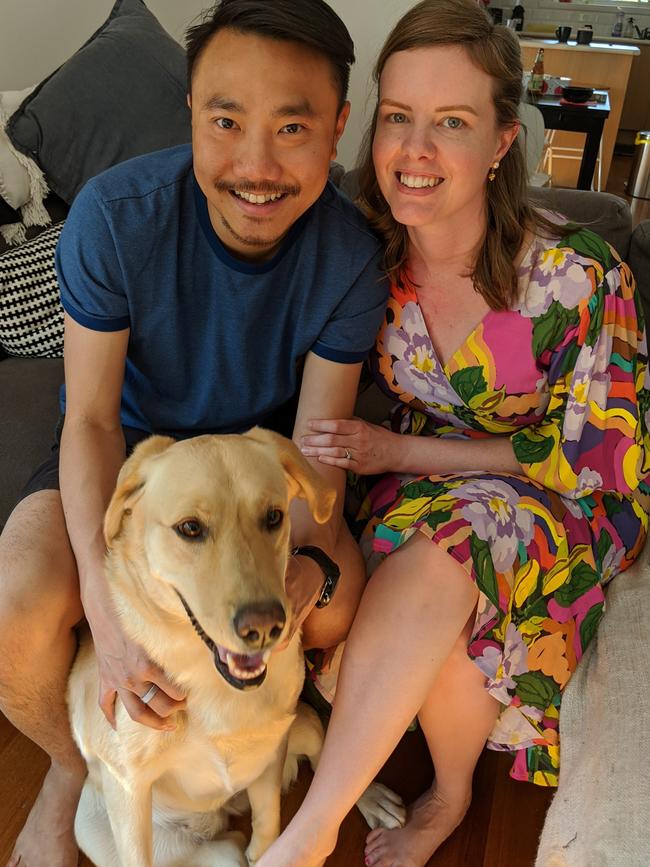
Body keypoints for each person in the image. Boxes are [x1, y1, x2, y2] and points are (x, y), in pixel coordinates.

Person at [256, 1, 650, 865]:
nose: (414, 152)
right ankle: (449, 790)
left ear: (504, 140)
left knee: (463, 536)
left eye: (452, 123)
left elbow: (596, 453)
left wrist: (404, 452)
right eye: (398, 117)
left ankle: (312, 829)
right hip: (409, 489)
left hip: (562, 498)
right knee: (433, 571)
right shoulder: (361, 252)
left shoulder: (578, 274)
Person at [0, 2, 389, 865]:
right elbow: (94, 418)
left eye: (293, 127)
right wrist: (107, 611)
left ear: (337, 129)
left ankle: (248, 743)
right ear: (191, 115)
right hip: (130, 467)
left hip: (258, 482)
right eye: (226, 121)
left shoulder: (350, 255)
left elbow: (319, 453)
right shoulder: (114, 216)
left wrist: (311, 566)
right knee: (17, 608)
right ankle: (79, 770)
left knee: (335, 609)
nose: (256, 165)